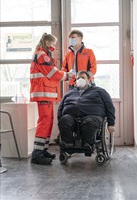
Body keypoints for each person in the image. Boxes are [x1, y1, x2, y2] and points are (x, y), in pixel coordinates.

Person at [30, 33, 72, 165]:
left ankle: (42, 150)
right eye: (53, 43)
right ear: (47, 43)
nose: (55, 46)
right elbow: (52, 73)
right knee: (44, 122)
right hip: (43, 93)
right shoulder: (42, 55)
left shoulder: (43, 54)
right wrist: (67, 75)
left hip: (46, 93)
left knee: (48, 121)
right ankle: (37, 154)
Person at [58, 71, 115, 153]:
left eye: (83, 77)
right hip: (72, 117)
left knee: (88, 122)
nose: (80, 79)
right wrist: (60, 120)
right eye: (78, 78)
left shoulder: (100, 91)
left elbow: (109, 107)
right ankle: (68, 144)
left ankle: (88, 144)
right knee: (64, 120)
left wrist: (111, 123)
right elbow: (60, 108)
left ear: (89, 80)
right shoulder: (69, 93)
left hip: (92, 116)